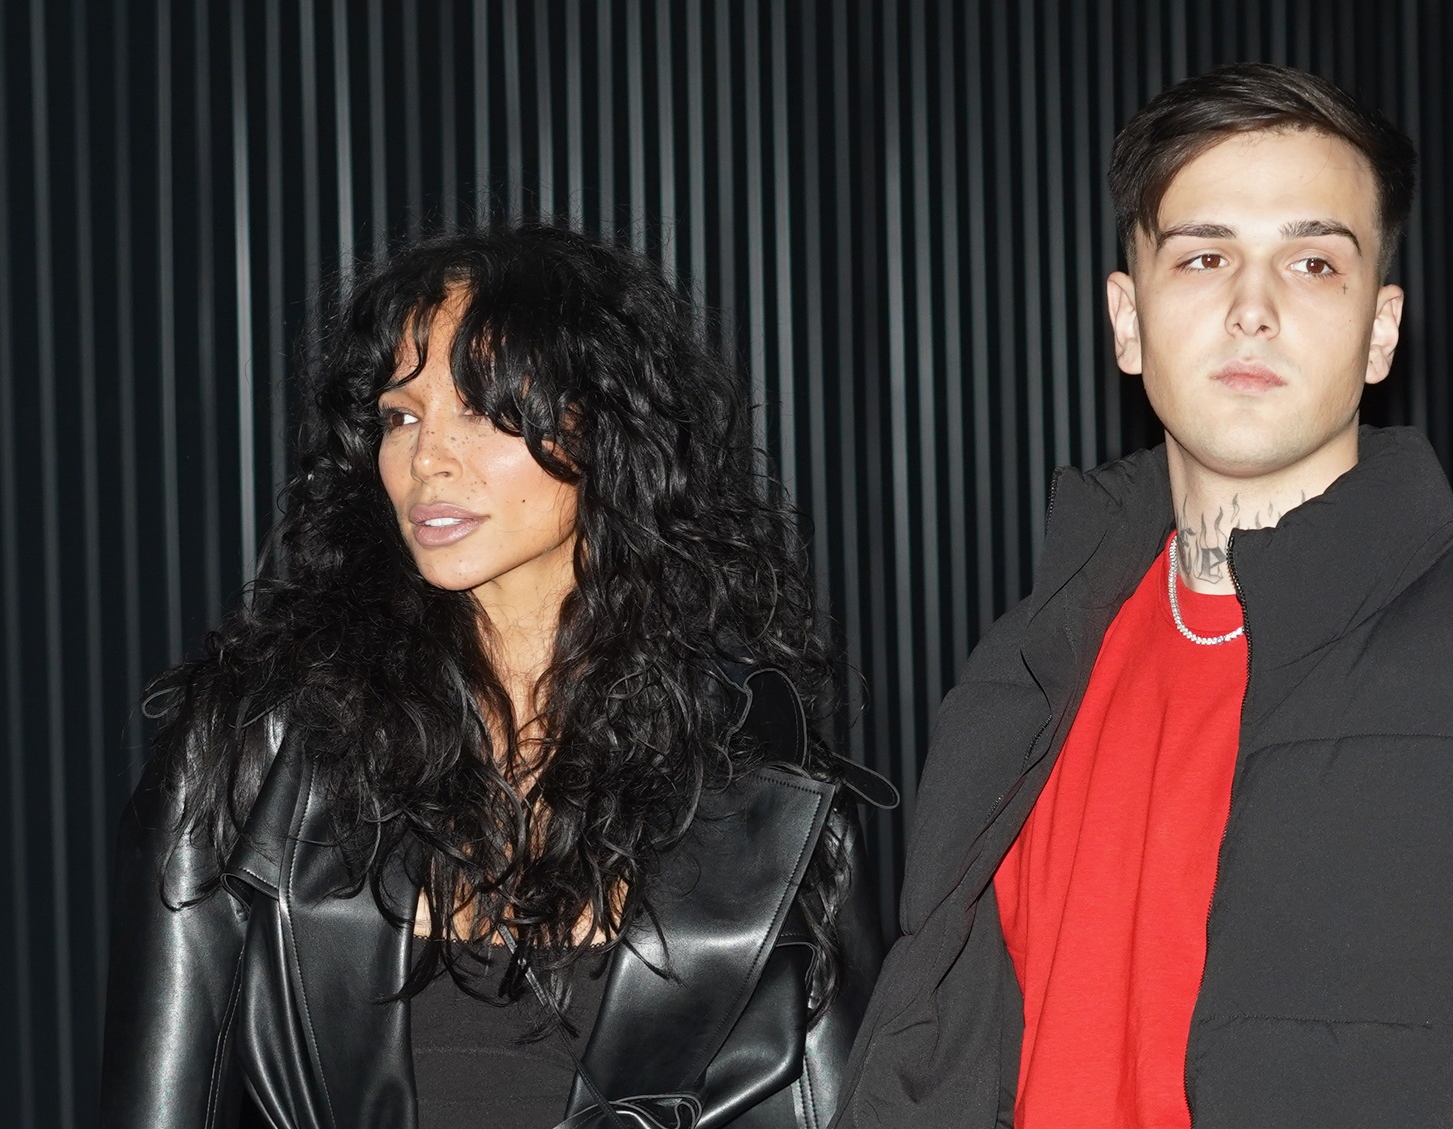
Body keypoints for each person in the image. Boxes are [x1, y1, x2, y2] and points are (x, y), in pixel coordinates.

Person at [835, 63, 1453, 1129]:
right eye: (1204, 256)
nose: (1251, 309)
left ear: (1381, 330)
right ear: (1126, 319)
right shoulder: (1033, 663)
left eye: (1312, 263)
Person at [101, 224, 890, 1129]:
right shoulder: (257, 753)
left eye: (479, 410)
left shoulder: (765, 790)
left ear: (603, 427)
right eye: (400, 417)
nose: (426, 458)